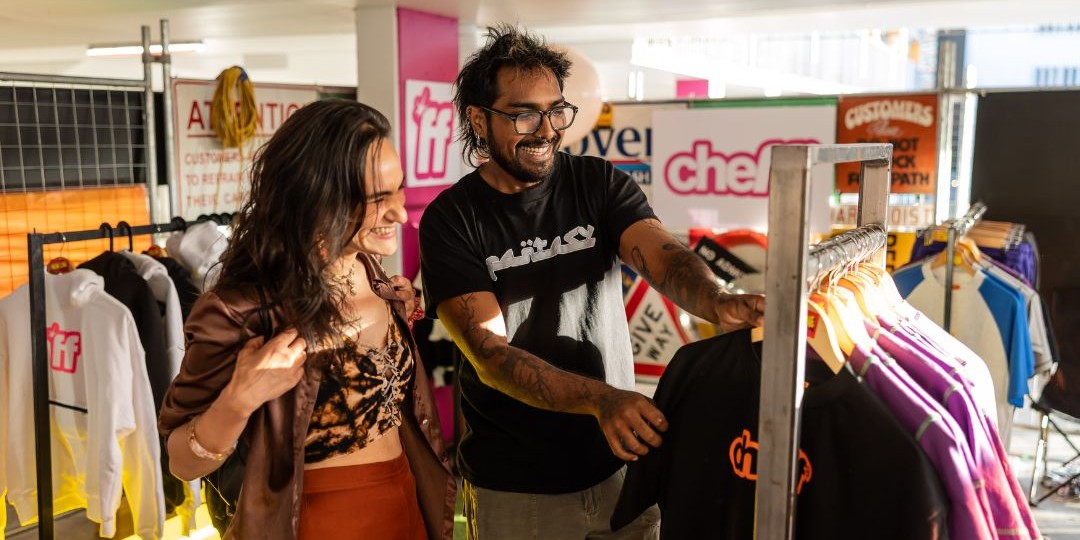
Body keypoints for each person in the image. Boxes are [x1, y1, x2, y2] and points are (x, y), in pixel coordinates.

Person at [418, 25, 766, 540]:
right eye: (523, 114)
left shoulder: (597, 182)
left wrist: (717, 299)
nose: (546, 130)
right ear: (478, 118)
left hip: (620, 465)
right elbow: (490, 354)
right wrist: (602, 400)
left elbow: (661, 255)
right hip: (517, 486)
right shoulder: (453, 219)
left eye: (556, 110)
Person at [158, 100, 455, 540]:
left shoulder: (374, 273)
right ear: (318, 198)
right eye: (377, 199)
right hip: (316, 520)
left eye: (399, 190)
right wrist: (239, 400)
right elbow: (181, 462)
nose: (400, 213)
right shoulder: (238, 309)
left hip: (407, 501)